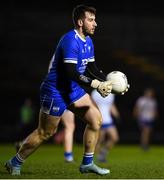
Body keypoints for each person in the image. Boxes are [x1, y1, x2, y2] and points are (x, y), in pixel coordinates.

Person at [5, 4, 129, 176]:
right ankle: (15, 162)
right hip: (55, 90)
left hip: (72, 89)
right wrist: (95, 85)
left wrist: (108, 82)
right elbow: (71, 72)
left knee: (95, 120)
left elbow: (92, 68)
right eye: (91, 20)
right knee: (46, 132)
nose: (95, 23)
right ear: (80, 22)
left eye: (95, 20)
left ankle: (87, 163)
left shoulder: (88, 41)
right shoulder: (70, 40)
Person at [91, 89, 120, 162]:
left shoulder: (111, 93)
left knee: (115, 138)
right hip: (99, 119)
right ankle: (98, 157)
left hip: (108, 120)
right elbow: (92, 106)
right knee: (100, 140)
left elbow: (111, 106)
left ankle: (103, 153)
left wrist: (117, 116)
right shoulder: (95, 93)